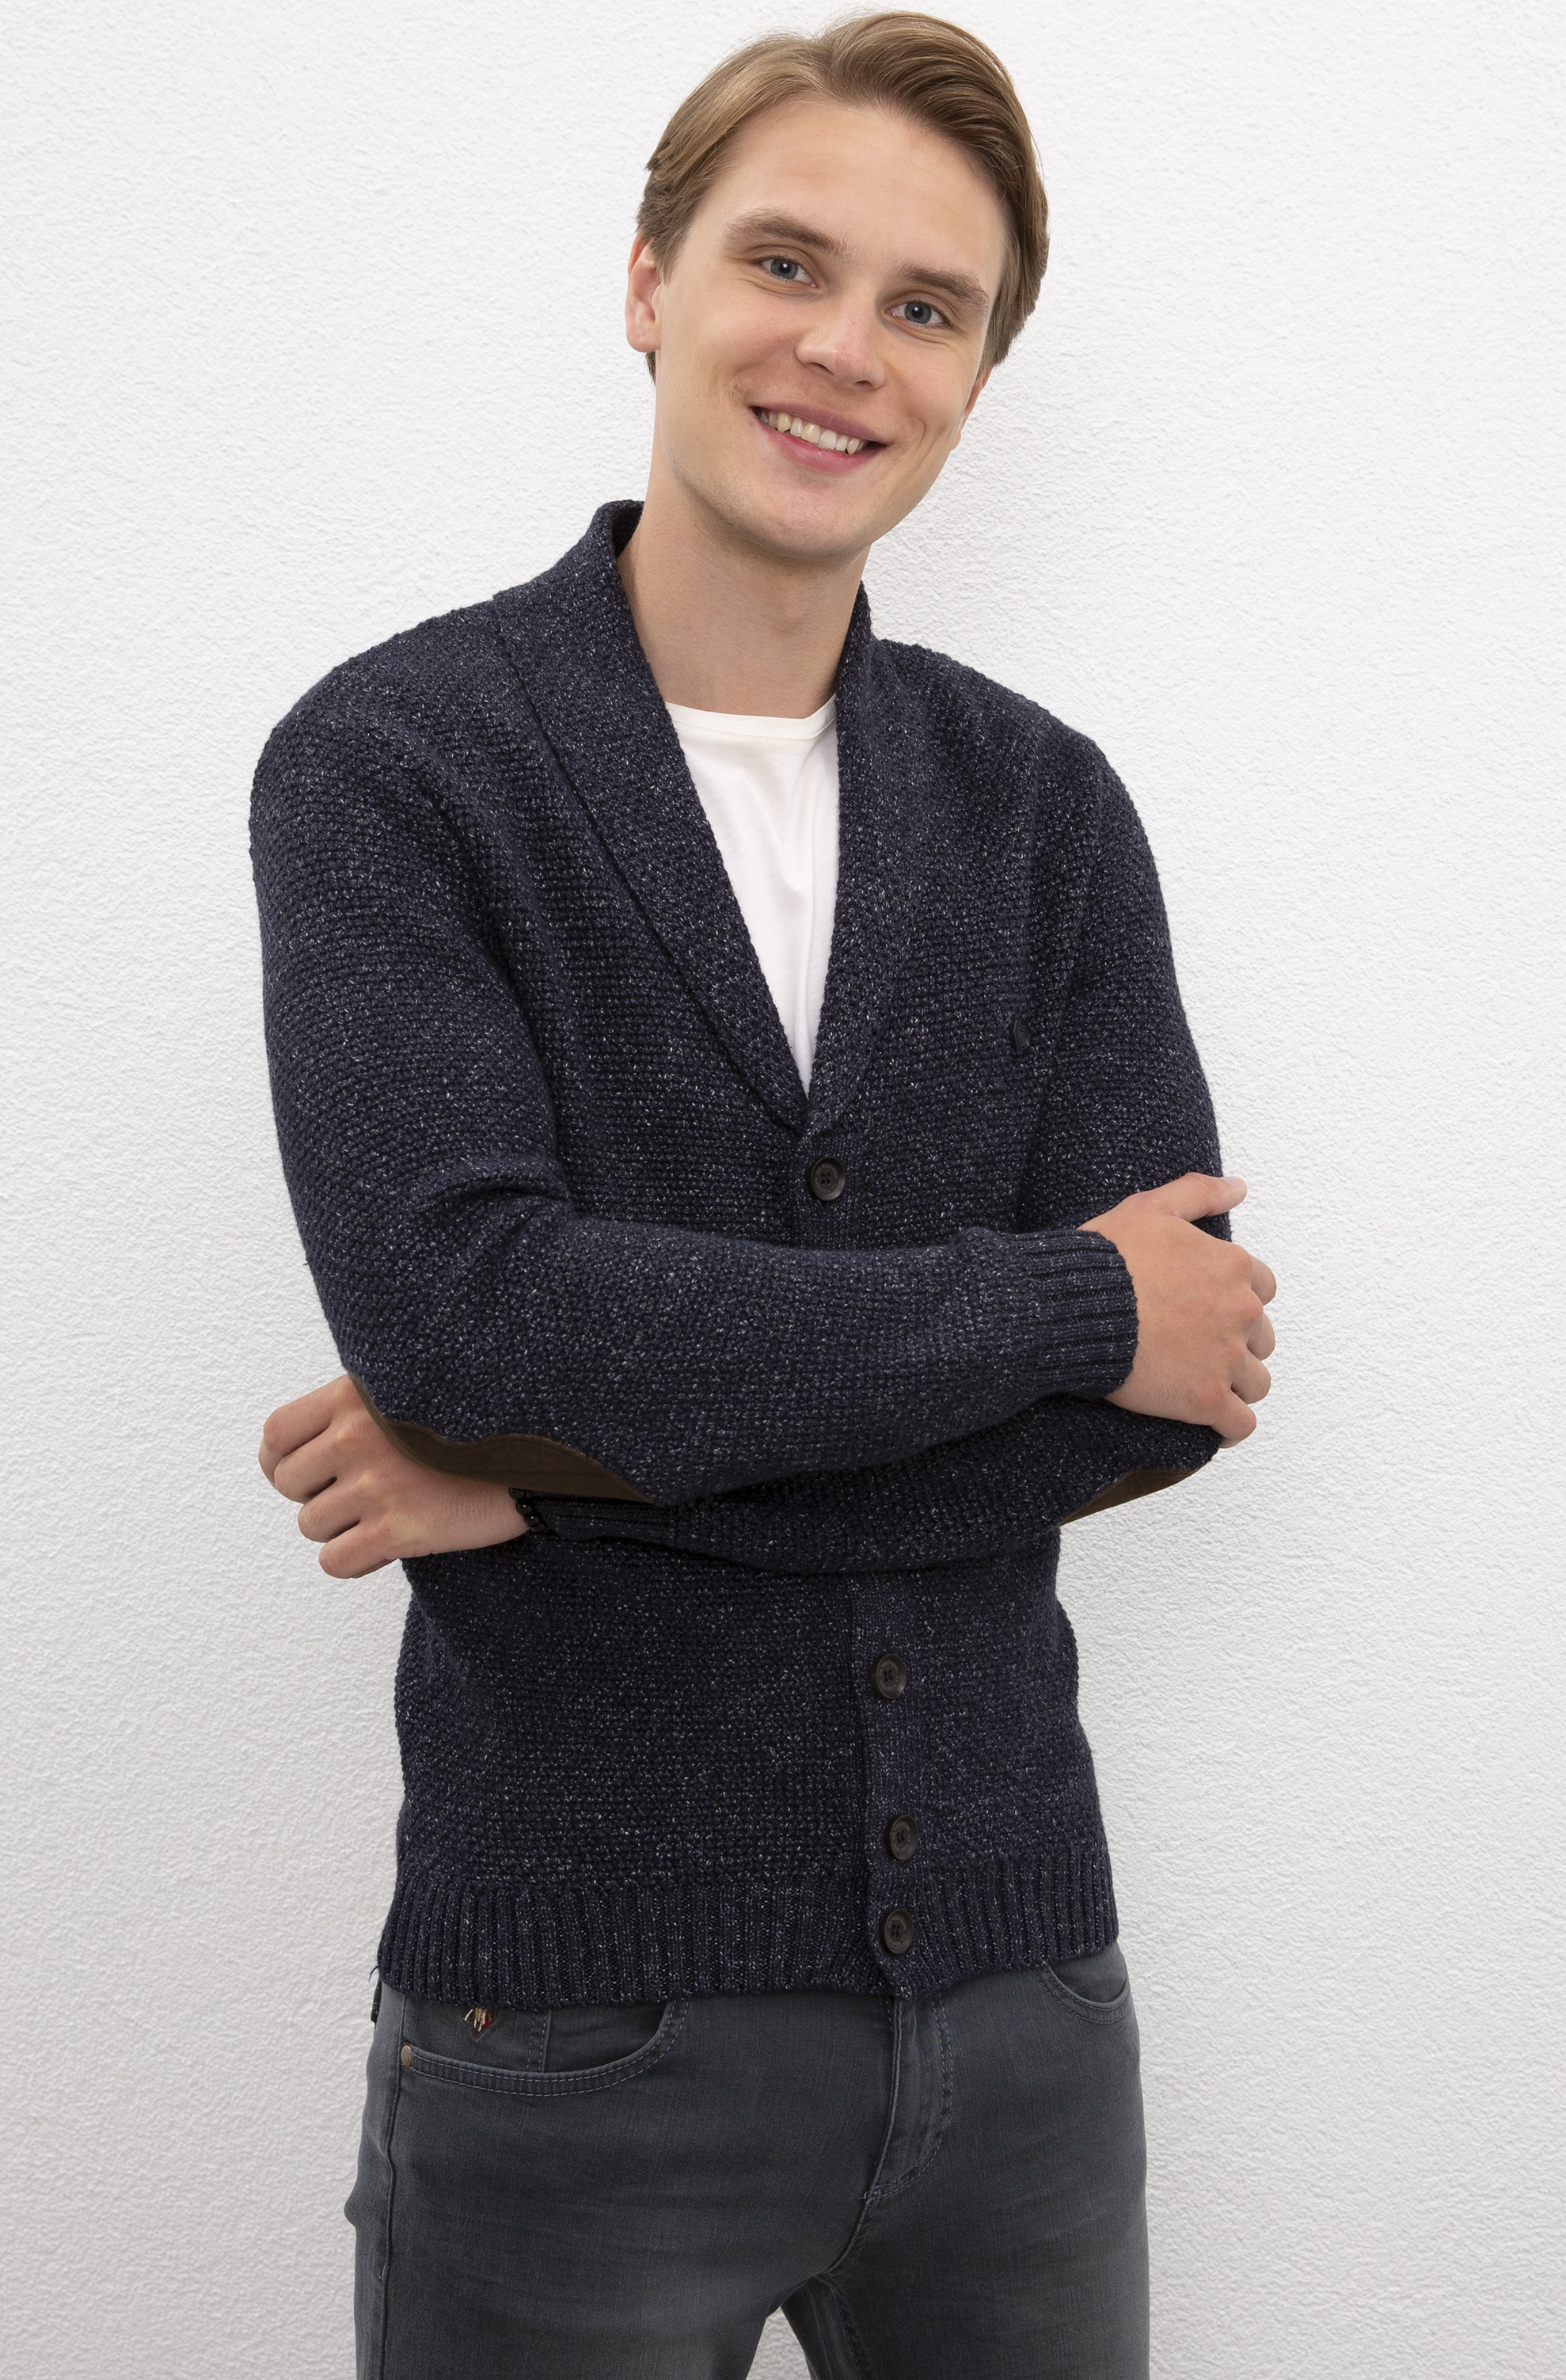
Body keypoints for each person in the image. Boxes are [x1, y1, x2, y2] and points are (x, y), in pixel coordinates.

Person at [250, 15, 1275, 2375]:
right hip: (573, 2023)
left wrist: (544, 1482)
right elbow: (473, 1322)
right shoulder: (399, 763)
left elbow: (1174, 1392)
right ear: (651, 282)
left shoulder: (1041, 806)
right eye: (784, 263)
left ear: (976, 379)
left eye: (926, 307)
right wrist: (1062, 1303)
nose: (845, 348)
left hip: (1025, 2008)